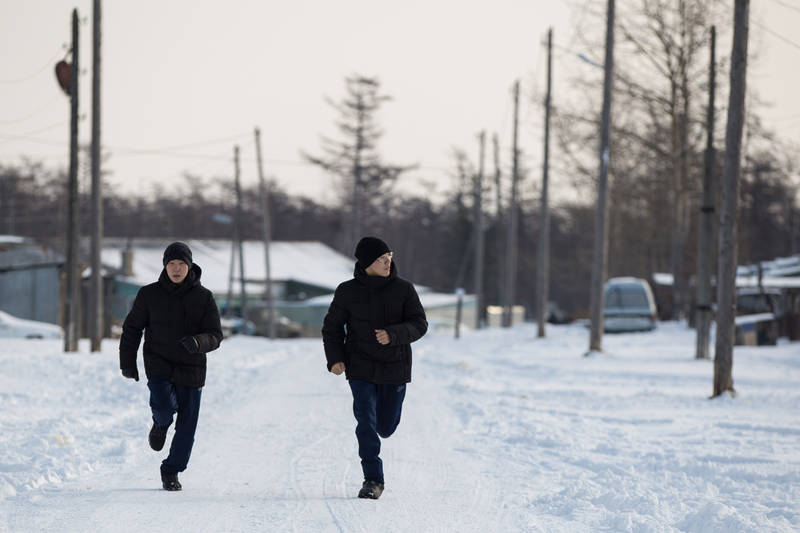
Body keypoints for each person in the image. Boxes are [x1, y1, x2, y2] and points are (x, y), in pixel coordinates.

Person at [322, 236, 428, 500]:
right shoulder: (346, 291)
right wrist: (335, 358)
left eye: (389, 256)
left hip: (395, 366)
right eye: (382, 258)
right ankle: (373, 479)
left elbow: (419, 324)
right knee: (366, 422)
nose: (388, 261)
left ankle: (385, 430)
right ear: (367, 263)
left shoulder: (404, 289)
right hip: (360, 366)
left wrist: (394, 334)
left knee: (386, 426)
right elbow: (332, 328)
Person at [119, 241, 223, 491]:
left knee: (187, 426)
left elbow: (215, 335)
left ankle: (171, 470)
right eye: (171, 264)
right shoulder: (149, 294)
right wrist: (127, 362)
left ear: (190, 266)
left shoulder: (204, 297)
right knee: (164, 405)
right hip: (159, 361)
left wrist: (198, 342)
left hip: (192, 366)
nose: (176, 269)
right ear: (165, 266)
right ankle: (161, 423)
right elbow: (132, 328)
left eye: (181, 264)